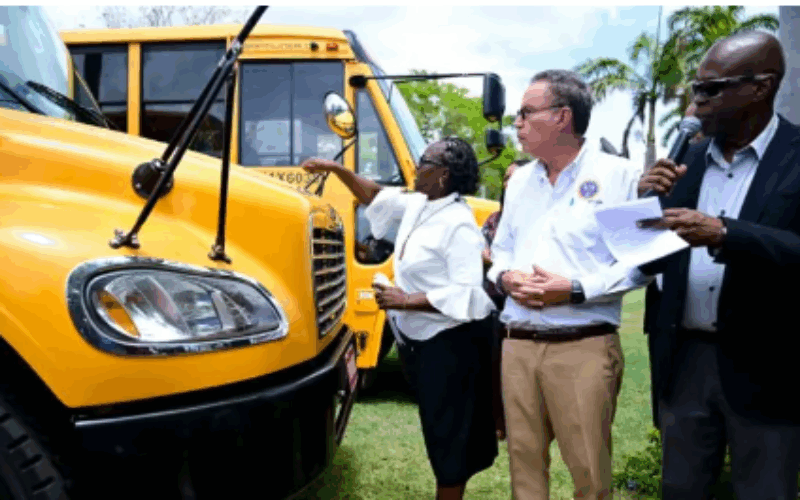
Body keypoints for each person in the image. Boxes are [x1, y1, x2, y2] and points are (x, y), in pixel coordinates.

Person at [638, 31, 800, 499]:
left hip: (767, 368)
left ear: (761, 87)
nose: (697, 101)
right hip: (683, 359)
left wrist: (727, 235)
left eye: (712, 88)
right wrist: (644, 200)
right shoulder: (684, 155)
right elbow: (634, 255)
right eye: (695, 88)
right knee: (680, 490)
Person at [302, 137, 497, 500]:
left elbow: (468, 293)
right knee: (438, 430)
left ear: (443, 174)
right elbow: (375, 196)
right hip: (422, 345)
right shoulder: (421, 203)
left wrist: (406, 300)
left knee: (448, 439)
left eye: (424, 161)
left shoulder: (459, 226)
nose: (415, 167)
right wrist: (336, 169)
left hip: (452, 346)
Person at [487, 69, 650, 500]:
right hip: (517, 344)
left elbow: (641, 265)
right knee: (524, 472)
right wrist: (504, 276)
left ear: (562, 117)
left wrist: (575, 289)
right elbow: (500, 250)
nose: (516, 123)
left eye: (525, 113)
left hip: (582, 346)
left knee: (590, 477)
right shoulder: (520, 181)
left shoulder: (620, 176)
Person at [480, 158, 530, 442]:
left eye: (517, 177)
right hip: (493, 305)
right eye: (507, 177)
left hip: (521, 304)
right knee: (493, 369)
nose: (510, 183)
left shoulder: (534, 217)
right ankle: (498, 423)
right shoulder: (494, 219)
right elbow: (482, 245)